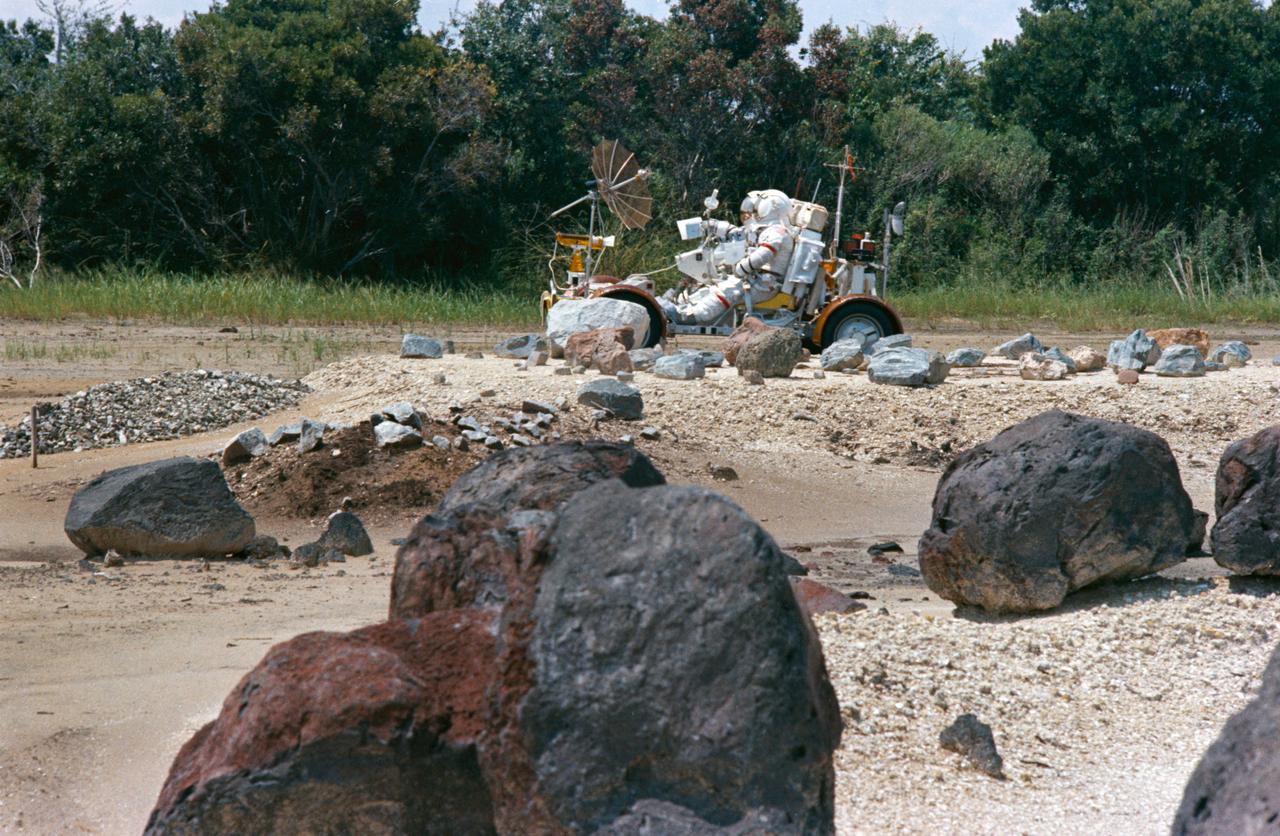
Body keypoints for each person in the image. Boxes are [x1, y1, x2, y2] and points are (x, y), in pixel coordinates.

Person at [670, 189, 795, 324]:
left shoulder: (777, 232)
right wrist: (712, 225)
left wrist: (741, 268)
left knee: (726, 293)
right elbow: (738, 233)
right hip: (758, 280)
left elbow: (763, 254)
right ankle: (681, 308)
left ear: (769, 208)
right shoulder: (766, 230)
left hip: (764, 285)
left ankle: (691, 317)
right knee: (713, 288)